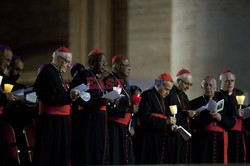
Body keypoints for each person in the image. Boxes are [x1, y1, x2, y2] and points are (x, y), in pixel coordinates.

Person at [33, 46, 79, 166]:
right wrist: (70, 96)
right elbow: (50, 98)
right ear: (59, 59)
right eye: (68, 62)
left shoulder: (55, 72)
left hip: (59, 122)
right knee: (51, 155)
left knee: (60, 154)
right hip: (51, 123)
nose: (69, 65)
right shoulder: (48, 72)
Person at [70, 49, 109, 165]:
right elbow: (81, 98)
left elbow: (95, 95)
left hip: (98, 119)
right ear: (92, 63)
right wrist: (100, 101)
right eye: (102, 62)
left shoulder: (95, 77)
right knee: (89, 151)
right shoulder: (84, 75)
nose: (105, 65)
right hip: (88, 120)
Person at [190, 76, 231, 164]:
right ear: (202, 87)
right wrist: (209, 117)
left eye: (210, 85)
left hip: (220, 141)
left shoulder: (224, 102)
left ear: (216, 87)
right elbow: (192, 123)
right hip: (202, 141)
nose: (208, 88)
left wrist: (221, 118)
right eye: (205, 85)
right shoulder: (194, 103)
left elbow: (231, 122)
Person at [138, 73, 176, 164]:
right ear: (158, 84)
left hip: (161, 139)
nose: (168, 93)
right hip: (149, 139)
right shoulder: (147, 95)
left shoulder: (165, 98)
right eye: (166, 89)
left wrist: (171, 126)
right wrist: (165, 121)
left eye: (170, 90)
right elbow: (144, 118)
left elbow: (167, 116)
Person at [103, 55, 134, 164]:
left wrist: (131, 124)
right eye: (126, 65)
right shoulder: (110, 80)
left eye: (129, 65)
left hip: (125, 126)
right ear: (116, 66)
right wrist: (127, 109)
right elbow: (109, 104)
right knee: (116, 156)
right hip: (114, 125)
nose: (129, 68)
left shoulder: (124, 81)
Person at [165, 68, 195, 164]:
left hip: (183, 136)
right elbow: (167, 113)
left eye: (190, 84)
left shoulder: (184, 96)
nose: (188, 87)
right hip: (172, 135)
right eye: (187, 84)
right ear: (178, 81)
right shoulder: (169, 93)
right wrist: (186, 113)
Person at [217, 70, 246, 163]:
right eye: (227, 81)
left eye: (232, 81)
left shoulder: (235, 97)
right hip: (224, 136)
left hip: (237, 136)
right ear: (221, 82)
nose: (230, 83)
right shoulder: (217, 96)